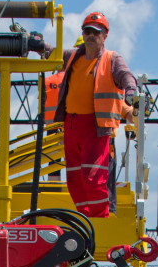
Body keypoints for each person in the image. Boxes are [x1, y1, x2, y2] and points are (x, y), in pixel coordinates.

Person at [47, 12, 138, 217]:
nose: (91, 36)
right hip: (71, 124)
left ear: (105, 35)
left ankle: (99, 217)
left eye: (96, 32)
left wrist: (131, 91)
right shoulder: (74, 56)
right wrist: (36, 45)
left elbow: (126, 76)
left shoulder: (111, 59)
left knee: (93, 175)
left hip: (95, 126)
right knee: (75, 177)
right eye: (87, 31)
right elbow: (52, 53)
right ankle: (85, 216)